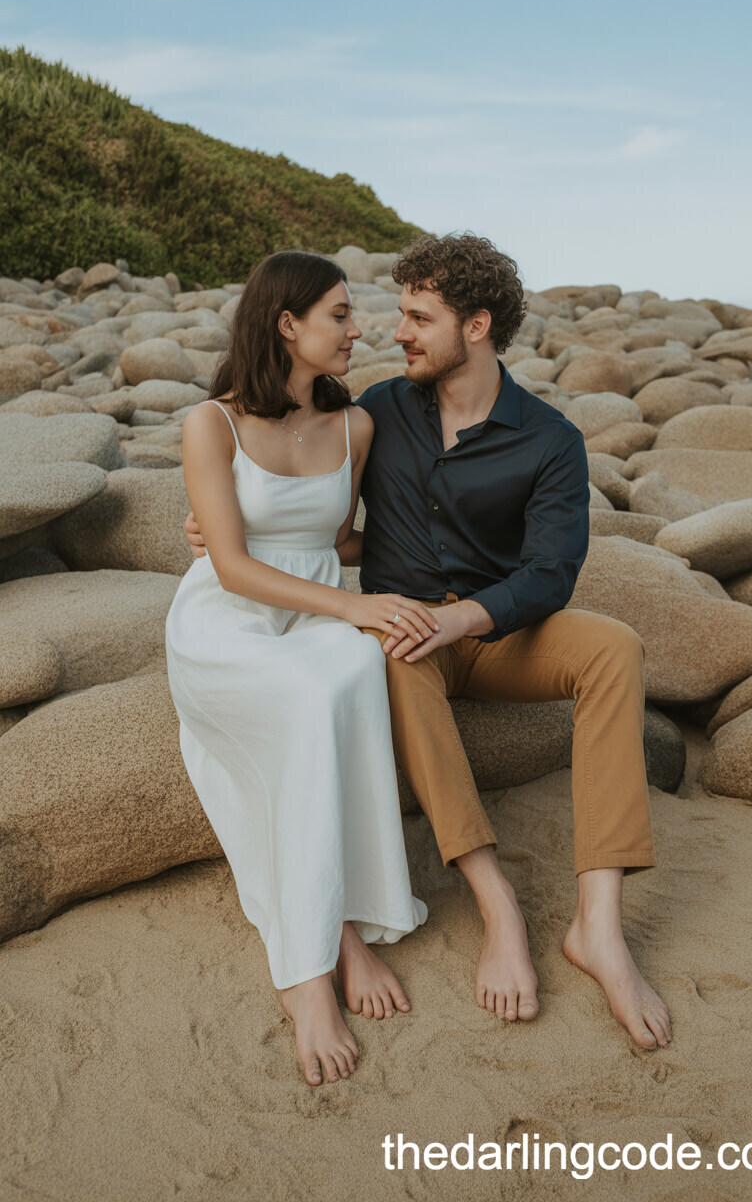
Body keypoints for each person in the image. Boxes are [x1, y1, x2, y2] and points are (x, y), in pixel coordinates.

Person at [187, 232, 672, 1051]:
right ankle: (498, 908)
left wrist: (465, 616)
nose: (395, 332)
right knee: (394, 651)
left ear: (476, 326)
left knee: (614, 647)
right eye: (393, 314)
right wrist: (232, 535)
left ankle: (601, 927)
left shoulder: (550, 439)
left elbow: (552, 574)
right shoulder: (376, 412)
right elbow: (330, 529)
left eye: (419, 317)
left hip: (496, 629)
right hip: (410, 627)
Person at [165, 251, 429, 1090]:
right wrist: (354, 604)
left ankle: (342, 919)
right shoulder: (213, 425)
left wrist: (416, 573)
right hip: (226, 620)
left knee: (353, 672)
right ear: (288, 325)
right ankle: (310, 969)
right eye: (342, 315)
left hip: (313, 607)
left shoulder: (355, 427)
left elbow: (343, 542)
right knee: (312, 690)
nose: (359, 332)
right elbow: (235, 566)